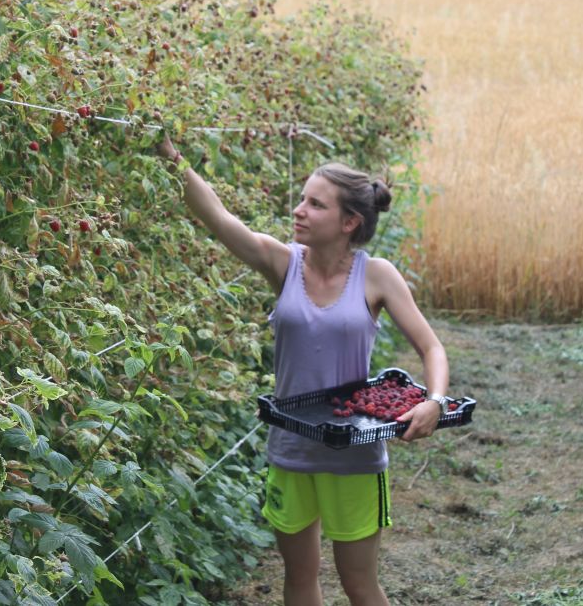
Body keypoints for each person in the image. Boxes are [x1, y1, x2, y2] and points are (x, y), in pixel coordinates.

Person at [158, 135, 449, 606]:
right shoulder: (282, 263)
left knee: (358, 582)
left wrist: (435, 400)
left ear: (348, 221)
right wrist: (170, 157)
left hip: (353, 455)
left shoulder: (377, 276)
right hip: (290, 449)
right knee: (299, 577)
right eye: (301, 198)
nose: (299, 210)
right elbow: (217, 217)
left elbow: (431, 347)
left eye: (315, 204)